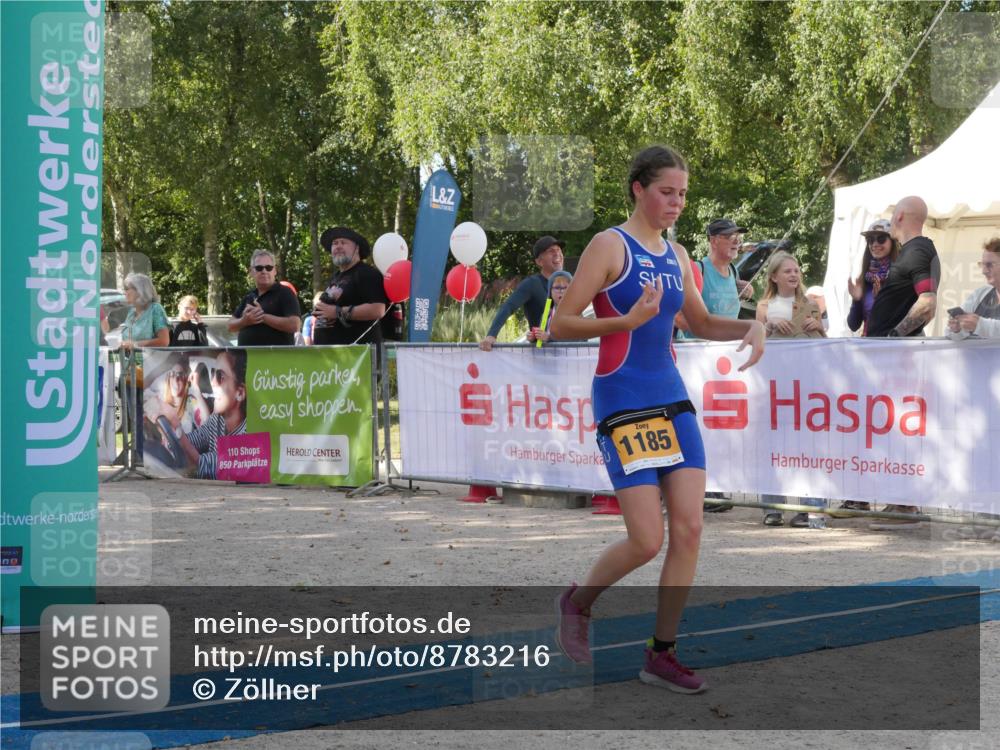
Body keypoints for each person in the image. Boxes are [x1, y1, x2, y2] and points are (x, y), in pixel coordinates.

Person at [549, 145, 765, 693]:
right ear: (638, 189)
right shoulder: (608, 244)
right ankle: (578, 602)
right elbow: (561, 325)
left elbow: (696, 322)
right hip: (621, 399)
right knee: (646, 540)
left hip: (672, 398)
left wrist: (751, 326)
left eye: (683, 194)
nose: (677, 202)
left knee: (690, 528)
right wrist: (625, 319)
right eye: (667, 192)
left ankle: (661, 653)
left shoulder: (679, 253)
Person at [755, 252, 826, 527]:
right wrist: (769, 326)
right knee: (773, 444)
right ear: (774, 276)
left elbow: (825, 345)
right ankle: (772, 506)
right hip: (774, 385)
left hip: (806, 385)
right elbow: (755, 338)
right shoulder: (764, 305)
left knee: (808, 445)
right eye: (787, 271)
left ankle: (809, 508)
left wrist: (818, 327)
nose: (794, 275)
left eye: (797, 270)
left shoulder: (810, 304)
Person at [866, 197, 940, 337]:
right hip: (890, 349)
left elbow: (927, 304)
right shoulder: (913, 250)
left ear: (899, 216)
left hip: (894, 351)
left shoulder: (917, 250)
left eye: (892, 214)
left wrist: (894, 336)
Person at [479, 236, 565, 351]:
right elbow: (508, 306)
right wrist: (491, 335)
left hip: (573, 356)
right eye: (551, 251)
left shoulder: (570, 283)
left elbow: (578, 323)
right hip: (543, 359)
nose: (557, 254)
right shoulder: (532, 284)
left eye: (559, 250)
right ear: (539, 261)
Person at [120, 273, 171, 461]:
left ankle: (148, 458)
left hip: (149, 372)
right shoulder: (131, 313)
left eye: (128, 289)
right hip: (129, 371)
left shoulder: (156, 310)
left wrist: (136, 345)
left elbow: (164, 341)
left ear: (140, 290)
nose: (125, 293)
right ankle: (136, 456)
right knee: (134, 416)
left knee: (146, 416)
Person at [176, 349, 248, 480]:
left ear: (240, 393)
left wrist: (174, 426)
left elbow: (201, 465)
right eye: (213, 373)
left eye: (221, 376)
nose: (213, 382)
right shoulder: (217, 419)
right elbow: (194, 440)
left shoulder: (248, 431)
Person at [312, 227, 389, 348]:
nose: (338, 246)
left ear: (357, 248)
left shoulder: (367, 273)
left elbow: (378, 309)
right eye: (335, 243)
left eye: (343, 242)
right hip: (331, 357)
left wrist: (337, 312)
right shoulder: (336, 277)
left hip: (358, 357)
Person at [229, 250, 301, 346]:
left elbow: (295, 325)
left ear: (275, 270)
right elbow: (230, 326)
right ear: (251, 272)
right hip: (248, 358)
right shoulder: (249, 296)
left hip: (276, 358)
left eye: (268, 267)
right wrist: (244, 321)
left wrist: (262, 317)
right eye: (259, 268)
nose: (264, 271)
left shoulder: (285, 293)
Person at [846, 219, 901, 337]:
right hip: (870, 346)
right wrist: (856, 300)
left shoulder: (901, 275)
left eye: (881, 239)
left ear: (892, 241)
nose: (875, 244)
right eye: (870, 240)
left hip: (895, 347)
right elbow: (853, 325)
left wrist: (881, 301)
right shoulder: (865, 279)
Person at [947, 237, 1000, 340]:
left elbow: (980, 326)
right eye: (982, 265)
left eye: (989, 265)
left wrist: (979, 325)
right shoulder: (980, 293)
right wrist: (957, 329)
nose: (983, 271)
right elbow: (950, 334)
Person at [527, 270, 572, 344]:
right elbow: (540, 343)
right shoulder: (547, 313)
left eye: (565, 288)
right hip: (547, 355)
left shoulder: (576, 312)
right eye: (557, 288)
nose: (561, 291)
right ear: (550, 291)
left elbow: (581, 339)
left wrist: (549, 338)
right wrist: (534, 338)